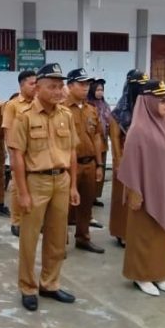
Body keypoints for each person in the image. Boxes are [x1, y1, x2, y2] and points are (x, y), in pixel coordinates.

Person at [8, 63, 81, 310]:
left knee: (57, 237)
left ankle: (50, 284)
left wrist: (73, 186)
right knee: (29, 239)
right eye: (52, 86)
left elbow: (71, 151)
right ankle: (27, 287)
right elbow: (16, 157)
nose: (59, 91)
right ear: (38, 88)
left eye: (61, 86)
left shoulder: (66, 116)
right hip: (35, 181)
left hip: (61, 181)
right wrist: (22, 193)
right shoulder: (24, 116)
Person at [118, 80, 165, 296]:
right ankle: (141, 275)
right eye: (161, 100)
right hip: (146, 192)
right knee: (145, 235)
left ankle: (159, 273)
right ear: (148, 102)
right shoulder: (139, 130)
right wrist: (135, 191)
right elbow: (130, 163)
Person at [64, 68, 104, 254]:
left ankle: (83, 237)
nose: (86, 88)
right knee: (62, 206)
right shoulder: (61, 109)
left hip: (89, 164)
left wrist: (99, 164)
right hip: (67, 165)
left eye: (87, 84)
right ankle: (59, 241)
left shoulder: (91, 110)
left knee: (86, 204)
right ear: (70, 86)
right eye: (81, 84)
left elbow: (97, 137)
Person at [108, 71, 146, 247]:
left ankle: (137, 230)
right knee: (123, 199)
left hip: (144, 161)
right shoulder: (119, 113)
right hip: (125, 159)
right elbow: (115, 139)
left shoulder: (147, 111)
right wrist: (118, 162)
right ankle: (121, 231)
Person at [2, 69, 37, 237]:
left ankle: (34, 220)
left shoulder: (39, 103)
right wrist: (14, 158)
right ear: (22, 85)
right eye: (32, 84)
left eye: (37, 83)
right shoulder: (12, 105)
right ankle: (16, 221)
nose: (35, 87)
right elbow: (8, 132)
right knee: (18, 189)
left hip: (36, 155)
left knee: (34, 188)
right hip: (19, 154)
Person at [89, 78, 112, 208]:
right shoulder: (88, 105)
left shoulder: (105, 104)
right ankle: (89, 195)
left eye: (102, 90)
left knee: (101, 170)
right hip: (91, 144)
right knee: (92, 171)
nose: (100, 93)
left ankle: (96, 196)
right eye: (97, 90)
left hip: (102, 142)